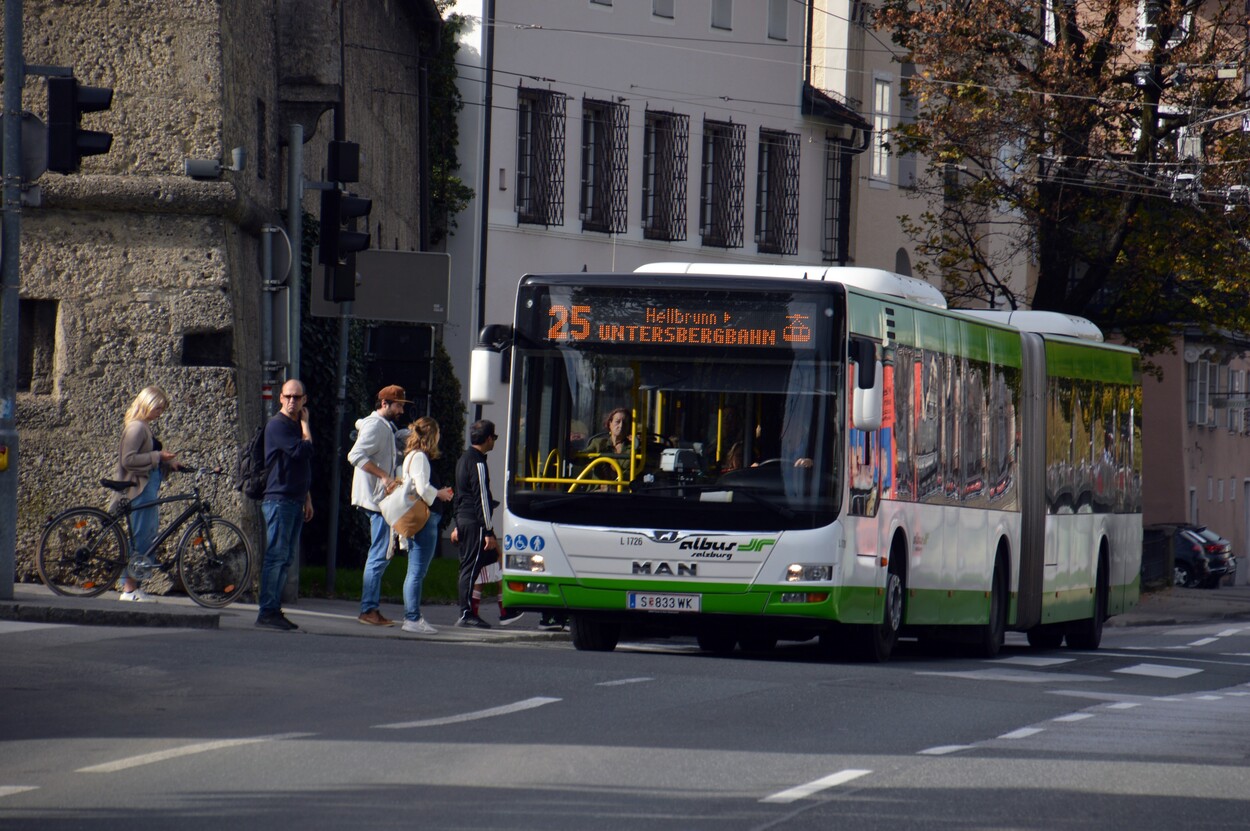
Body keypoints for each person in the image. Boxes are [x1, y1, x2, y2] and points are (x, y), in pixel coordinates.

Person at [111, 386, 179, 601]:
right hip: (139, 489)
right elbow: (128, 459)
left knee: (147, 537)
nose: (160, 413)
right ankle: (129, 589)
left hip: (148, 487)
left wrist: (167, 461)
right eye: (157, 408)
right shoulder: (137, 428)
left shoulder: (144, 427)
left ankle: (135, 587)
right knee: (141, 539)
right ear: (147, 404)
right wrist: (158, 455)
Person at [255, 378, 314, 631]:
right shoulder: (278, 425)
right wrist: (305, 424)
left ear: (304, 400)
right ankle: (267, 611)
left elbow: (301, 465)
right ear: (281, 398)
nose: (292, 401)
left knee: (286, 557)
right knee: (276, 556)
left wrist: (307, 497)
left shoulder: (292, 426)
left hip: (294, 499)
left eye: (297, 397)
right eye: (288, 396)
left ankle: (273, 609)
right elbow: (303, 452)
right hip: (279, 499)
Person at [348, 384, 409, 627]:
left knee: (380, 553)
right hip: (376, 501)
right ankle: (368, 609)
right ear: (384, 404)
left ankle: (370, 608)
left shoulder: (380, 425)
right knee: (379, 554)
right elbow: (355, 455)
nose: (402, 410)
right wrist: (384, 475)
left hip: (375, 499)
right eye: (399, 405)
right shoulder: (376, 425)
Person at [398, 417, 453, 634]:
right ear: (432, 435)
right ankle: (412, 618)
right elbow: (422, 487)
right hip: (425, 517)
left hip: (420, 516)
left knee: (415, 569)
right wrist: (440, 493)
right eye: (437, 433)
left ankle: (412, 616)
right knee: (417, 571)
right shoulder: (420, 457)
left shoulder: (411, 455)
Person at [452, 419, 501, 628]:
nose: (494, 442)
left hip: (464, 518)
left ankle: (502, 607)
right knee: (470, 568)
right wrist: (488, 530)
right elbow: (482, 498)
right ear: (488, 439)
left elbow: (458, 495)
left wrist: (456, 522)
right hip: (475, 522)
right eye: (494, 438)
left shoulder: (463, 459)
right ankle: (466, 613)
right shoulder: (479, 463)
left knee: (489, 558)